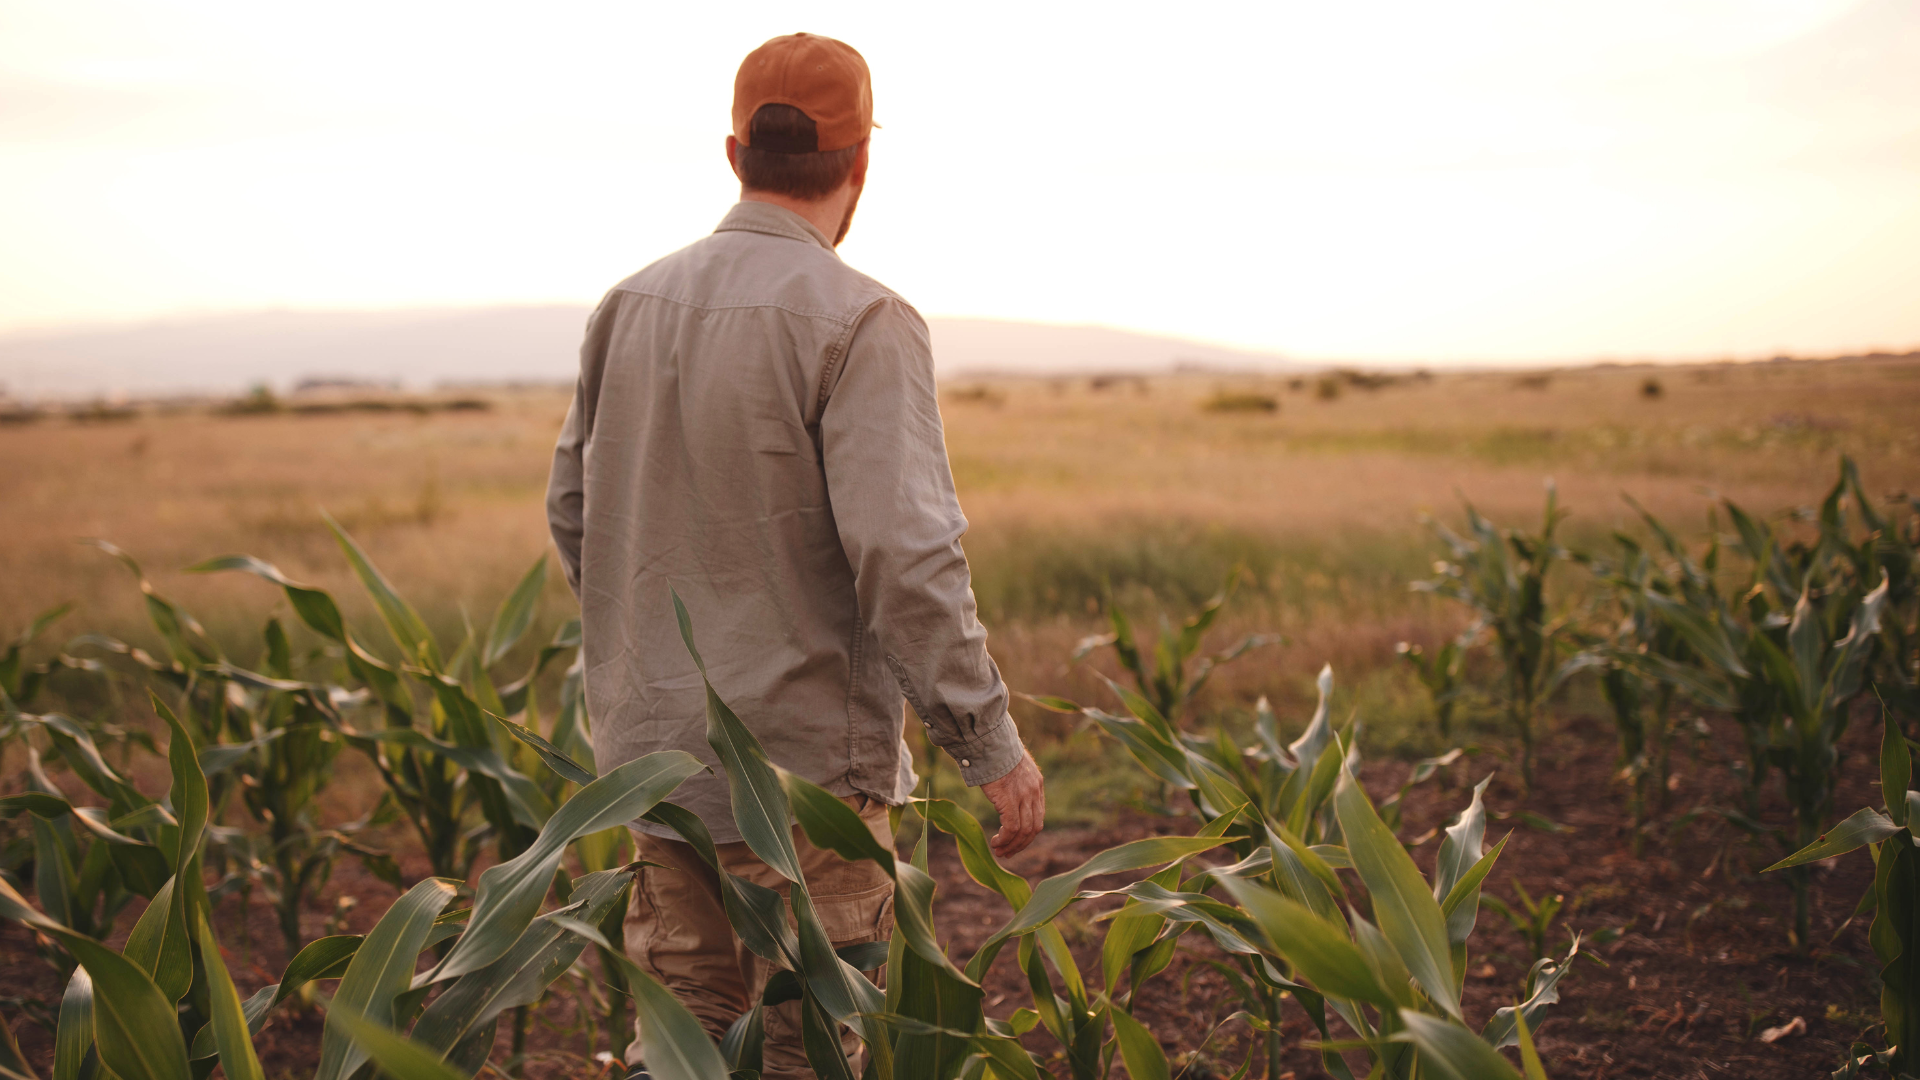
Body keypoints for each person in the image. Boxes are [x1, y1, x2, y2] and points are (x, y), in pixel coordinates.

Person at [544, 31, 1046, 1080]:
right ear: (861, 161)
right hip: (804, 788)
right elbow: (903, 556)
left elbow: (573, 511)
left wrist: (652, 664)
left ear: (735, 154)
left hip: (655, 768)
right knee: (801, 1050)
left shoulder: (626, 306)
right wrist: (988, 742)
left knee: (680, 1044)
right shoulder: (864, 320)